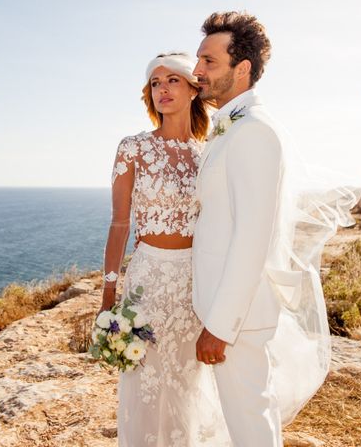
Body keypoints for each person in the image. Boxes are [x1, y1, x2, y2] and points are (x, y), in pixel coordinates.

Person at [191, 11, 360, 445]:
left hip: (237, 320)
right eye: (198, 60)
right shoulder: (231, 128)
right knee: (244, 418)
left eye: (209, 61)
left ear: (241, 69)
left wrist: (220, 326)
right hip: (226, 310)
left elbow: (253, 238)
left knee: (250, 423)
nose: (197, 72)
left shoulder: (254, 133)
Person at [99, 52, 231, 446]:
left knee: (186, 384)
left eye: (172, 80)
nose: (162, 90)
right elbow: (120, 224)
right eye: (155, 83)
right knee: (145, 384)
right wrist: (108, 296)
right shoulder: (133, 148)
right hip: (148, 283)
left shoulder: (208, 152)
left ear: (193, 89)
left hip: (195, 282)